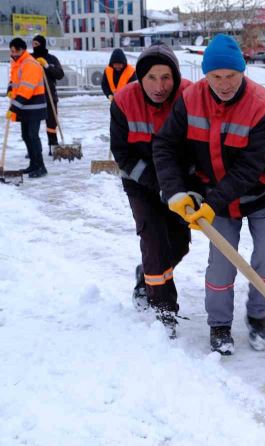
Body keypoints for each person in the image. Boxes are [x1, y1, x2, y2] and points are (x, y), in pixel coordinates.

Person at [154, 34, 265, 355]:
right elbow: (165, 145)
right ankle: (220, 324)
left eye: (231, 76)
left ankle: (257, 316)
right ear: (205, 74)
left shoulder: (263, 105)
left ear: (243, 72)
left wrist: (211, 203)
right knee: (221, 264)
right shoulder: (190, 99)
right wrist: (174, 193)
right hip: (215, 195)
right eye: (216, 77)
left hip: (262, 193)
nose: (224, 84)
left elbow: (250, 168)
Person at [110, 43, 192, 338]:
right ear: (140, 78)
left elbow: (198, 145)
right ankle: (164, 308)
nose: (160, 86)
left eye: (166, 77)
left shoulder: (189, 96)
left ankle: (146, 275)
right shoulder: (122, 101)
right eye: (152, 78)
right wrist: (156, 185)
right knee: (154, 239)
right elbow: (122, 152)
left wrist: (182, 185)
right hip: (139, 180)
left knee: (180, 243)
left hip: (179, 182)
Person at [8, 37, 48, 178]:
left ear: (22, 50)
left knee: (32, 135)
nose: (13, 54)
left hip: (34, 106)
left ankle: (41, 166)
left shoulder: (30, 63)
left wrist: (14, 107)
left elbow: (27, 88)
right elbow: (14, 80)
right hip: (24, 106)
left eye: (15, 51)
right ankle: (33, 164)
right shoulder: (17, 63)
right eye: (11, 51)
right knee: (25, 136)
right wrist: (10, 89)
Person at [31, 35, 64, 156]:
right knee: (32, 125)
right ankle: (33, 149)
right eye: (33, 44)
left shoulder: (52, 59)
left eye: (36, 44)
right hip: (34, 97)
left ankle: (53, 146)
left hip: (50, 95)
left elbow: (60, 74)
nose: (34, 47)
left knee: (51, 123)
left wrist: (47, 66)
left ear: (42, 44)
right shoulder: (30, 58)